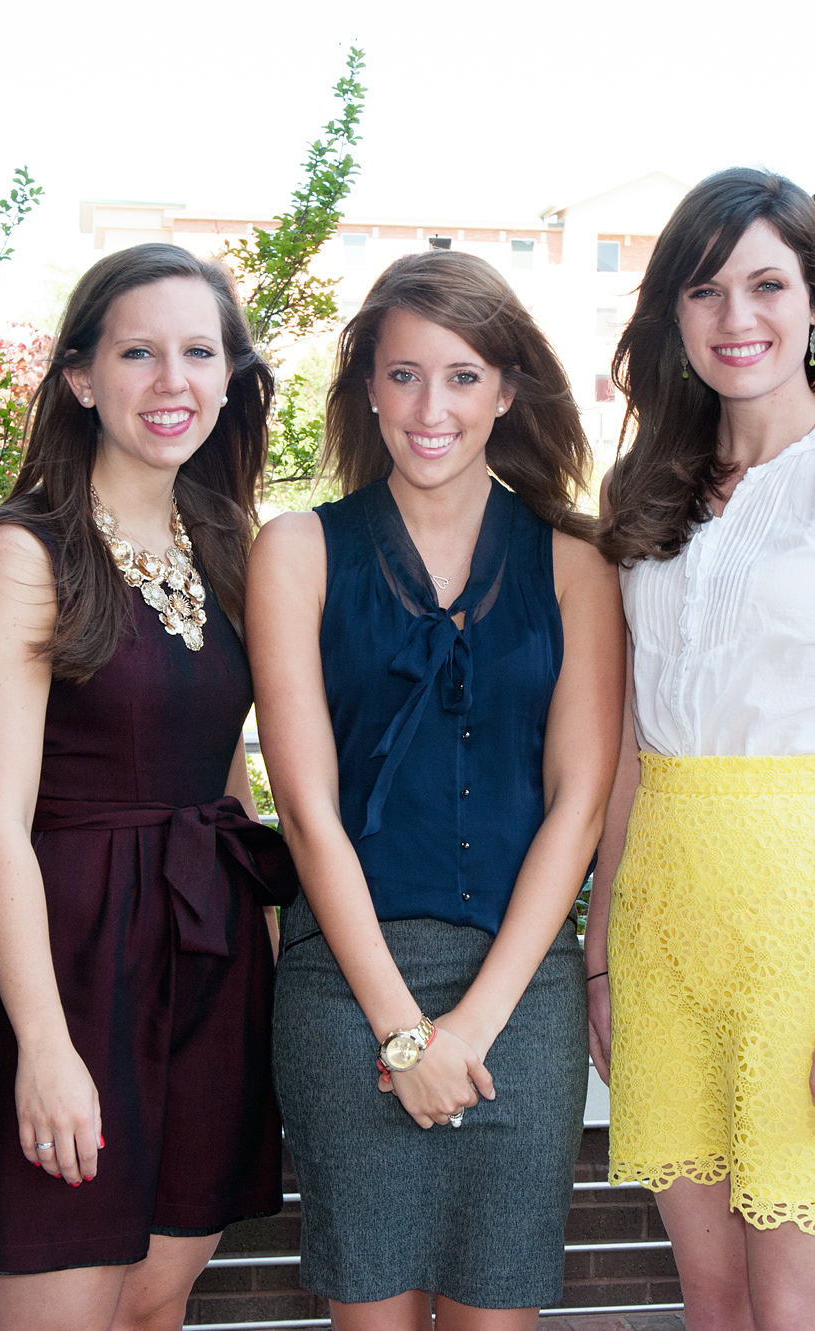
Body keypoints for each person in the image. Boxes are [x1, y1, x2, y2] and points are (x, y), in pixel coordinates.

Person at [585, 167, 815, 1331]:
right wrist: (597, 951)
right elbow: (630, 742)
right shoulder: (641, 489)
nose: (735, 318)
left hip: (808, 934)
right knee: (714, 1297)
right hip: (660, 928)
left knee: (796, 1308)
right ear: (671, 317)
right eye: (703, 290)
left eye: (764, 284)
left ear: (812, 303)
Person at [248, 249, 623, 1330]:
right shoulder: (298, 551)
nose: (431, 405)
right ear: (365, 383)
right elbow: (306, 807)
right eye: (403, 373)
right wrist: (406, 1033)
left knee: (494, 1314)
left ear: (506, 390)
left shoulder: (572, 562)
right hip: (349, 988)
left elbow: (578, 800)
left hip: (520, 990)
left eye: (462, 376)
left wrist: (473, 1024)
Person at [0, 243, 295, 1331]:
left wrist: (266, 979)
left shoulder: (228, 543)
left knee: (151, 1308)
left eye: (198, 351)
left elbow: (224, 766)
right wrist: (43, 1046)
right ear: (83, 375)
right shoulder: (23, 553)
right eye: (139, 351)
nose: (171, 380)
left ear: (229, 376)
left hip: (207, 954)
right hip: (70, 959)